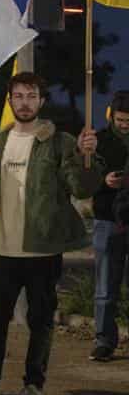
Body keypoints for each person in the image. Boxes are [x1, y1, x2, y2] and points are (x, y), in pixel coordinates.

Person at [0, 72, 100, 395]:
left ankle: (34, 384)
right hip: (0, 250)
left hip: (42, 250)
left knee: (41, 320)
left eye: (31, 96)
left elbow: (82, 188)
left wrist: (85, 155)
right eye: (18, 96)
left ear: (41, 101)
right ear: (10, 100)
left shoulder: (58, 142)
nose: (25, 102)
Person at [89, 91, 129, 361]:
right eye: (120, 120)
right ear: (111, 116)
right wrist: (105, 181)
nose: (125, 125)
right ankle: (104, 340)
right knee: (105, 288)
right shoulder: (99, 141)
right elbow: (84, 178)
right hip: (106, 219)